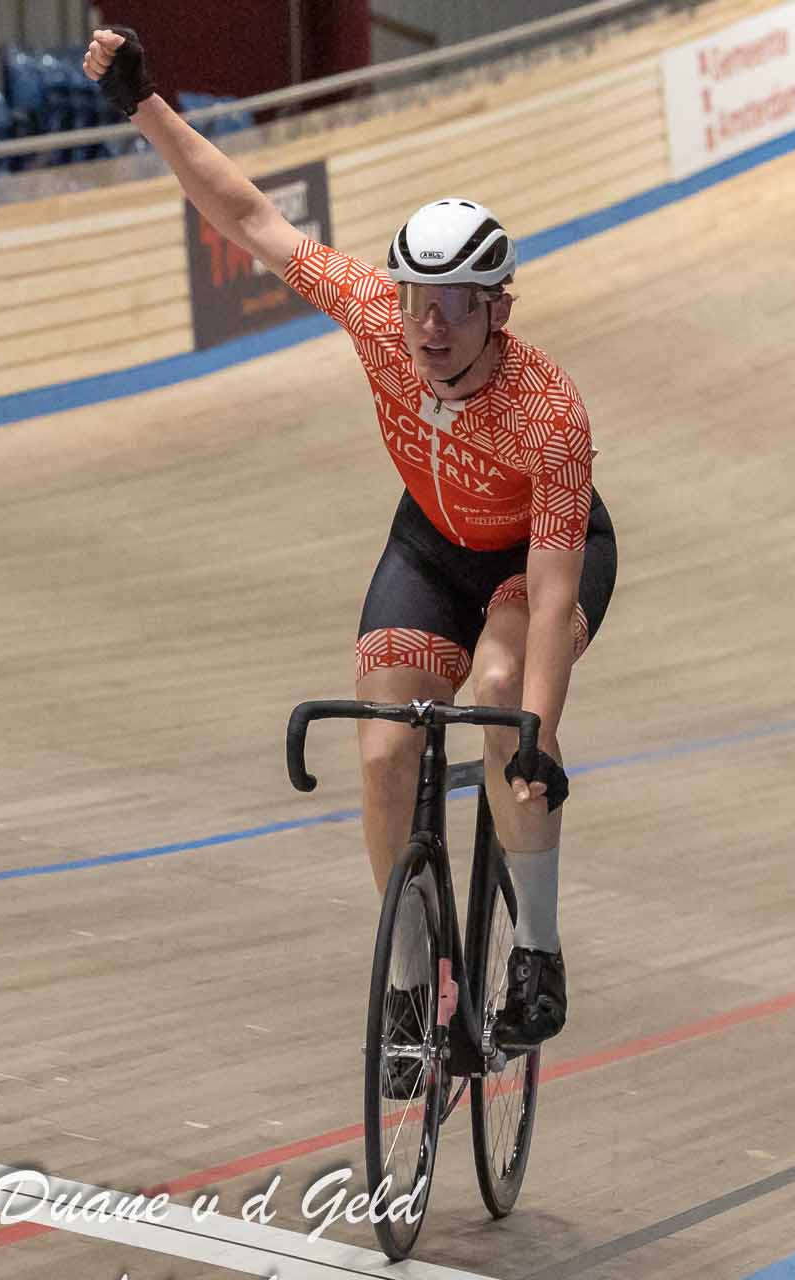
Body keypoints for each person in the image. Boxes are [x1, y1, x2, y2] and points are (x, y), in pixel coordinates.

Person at [85, 27, 617, 1049]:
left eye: (455, 308)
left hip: (534, 560)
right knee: (382, 755)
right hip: (431, 544)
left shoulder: (549, 412)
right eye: (419, 302)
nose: (429, 329)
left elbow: (552, 599)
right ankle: (416, 990)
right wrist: (144, 106)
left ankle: (537, 951)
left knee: (503, 691)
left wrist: (537, 738)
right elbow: (252, 218)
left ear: (498, 310)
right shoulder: (375, 317)